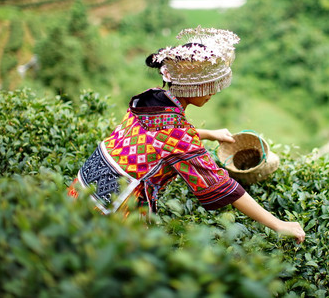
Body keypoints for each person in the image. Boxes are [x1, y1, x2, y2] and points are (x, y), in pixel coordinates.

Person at [69, 26, 305, 244]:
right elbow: (220, 185)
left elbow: (156, 138)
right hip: (115, 205)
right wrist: (279, 224)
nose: (212, 92)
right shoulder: (179, 136)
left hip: (85, 184)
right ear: (193, 86)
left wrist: (208, 134)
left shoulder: (149, 99)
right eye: (209, 86)